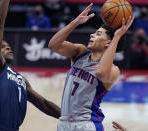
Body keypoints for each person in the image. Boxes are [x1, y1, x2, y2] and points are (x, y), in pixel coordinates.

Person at [48, 3, 134, 131]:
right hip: (64, 123)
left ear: (108, 43)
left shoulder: (114, 70)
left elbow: (100, 73)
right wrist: (75, 23)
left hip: (87, 124)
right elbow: (53, 45)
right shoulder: (80, 53)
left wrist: (117, 36)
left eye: (98, 34)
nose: (92, 35)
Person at [0, 0, 60, 130]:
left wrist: (68, 117)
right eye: (3, 47)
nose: (9, 48)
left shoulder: (21, 79)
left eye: (9, 46)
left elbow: (44, 104)